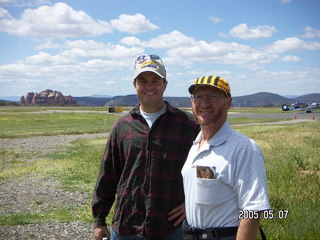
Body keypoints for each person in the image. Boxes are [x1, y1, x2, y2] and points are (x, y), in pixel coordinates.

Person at [92, 54, 199, 240]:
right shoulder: (123, 126)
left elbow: (203, 171)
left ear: (165, 84)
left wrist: (193, 203)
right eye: (143, 81)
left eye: (155, 81)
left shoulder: (187, 124)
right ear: (135, 84)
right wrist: (99, 220)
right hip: (127, 225)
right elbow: (108, 174)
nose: (149, 86)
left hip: (170, 227)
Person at [181, 76, 270, 240]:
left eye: (213, 97)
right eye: (199, 97)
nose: (204, 104)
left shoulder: (244, 149)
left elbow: (252, 210)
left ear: (228, 103)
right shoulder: (196, 145)